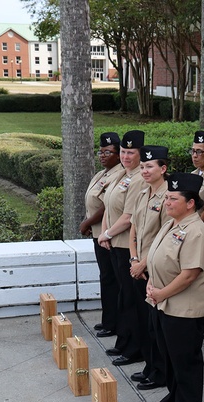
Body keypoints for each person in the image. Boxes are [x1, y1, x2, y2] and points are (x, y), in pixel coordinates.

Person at [145, 172, 204, 402]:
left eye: (173, 198)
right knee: (170, 356)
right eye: (166, 198)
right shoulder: (172, 224)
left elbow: (190, 274)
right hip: (162, 302)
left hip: (183, 308)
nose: (167, 202)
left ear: (190, 202)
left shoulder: (195, 231)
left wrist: (161, 292)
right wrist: (152, 283)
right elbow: (158, 258)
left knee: (186, 360)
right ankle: (174, 397)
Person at [99, 129, 144, 366]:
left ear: (141, 154)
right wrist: (105, 233)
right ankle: (124, 342)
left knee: (130, 299)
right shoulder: (122, 175)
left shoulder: (138, 178)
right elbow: (108, 205)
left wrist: (107, 233)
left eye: (131, 152)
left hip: (127, 246)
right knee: (122, 296)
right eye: (124, 152)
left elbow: (128, 217)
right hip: (114, 243)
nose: (126, 156)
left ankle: (134, 348)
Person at [128, 145, 170, 390]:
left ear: (163, 169)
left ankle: (160, 371)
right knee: (144, 322)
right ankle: (150, 367)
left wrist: (143, 263)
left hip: (154, 268)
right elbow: (134, 228)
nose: (144, 170)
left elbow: (164, 235)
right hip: (139, 267)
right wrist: (134, 260)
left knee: (156, 326)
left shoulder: (168, 196)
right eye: (142, 166)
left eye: (149, 166)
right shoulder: (143, 193)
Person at [82, 133, 125, 338]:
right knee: (105, 278)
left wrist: (87, 222)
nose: (102, 155)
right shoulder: (102, 174)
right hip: (98, 232)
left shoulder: (119, 174)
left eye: (108, 152)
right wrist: (88, 222)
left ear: (118, 155)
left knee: (111, 280)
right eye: (100, 152)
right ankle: (108, 319)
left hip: (109, 234)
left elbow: (106, 205)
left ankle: (113, 323)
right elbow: (93, 202)